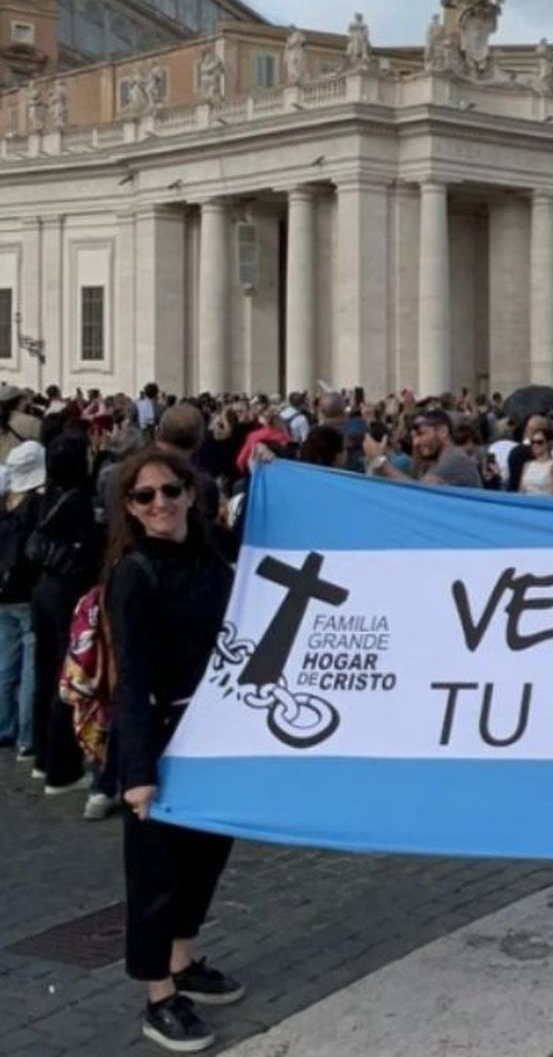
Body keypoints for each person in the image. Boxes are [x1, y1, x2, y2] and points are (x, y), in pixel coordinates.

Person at [106, 448, 242, 1052]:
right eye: (145, 496)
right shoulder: (134, 575)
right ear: (131, 509)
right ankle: (159, 995)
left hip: (217, 731)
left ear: (190, 492)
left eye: (169, 490)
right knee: (156, 872)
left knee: (206, 856)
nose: (159, 503)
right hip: (163, 735)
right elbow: (131, 679)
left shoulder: (214, 553)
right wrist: (137, 772)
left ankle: (183, 961)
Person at [28, 435, 104, 804]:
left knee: (44, 673)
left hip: (43, 588)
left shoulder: (46, 496)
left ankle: (42, 757)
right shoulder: (80, 502)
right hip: (66, 592)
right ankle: (62, 768)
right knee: (66, 676)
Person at [0, 439, 45, 763]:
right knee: (31, 666)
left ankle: (4, 725)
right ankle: (27, 737)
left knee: (5, 664)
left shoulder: (6, 503)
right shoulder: (36, 507)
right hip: (27, 592)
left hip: (3, 594)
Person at [364, 410, 482, 489]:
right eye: (414, 437)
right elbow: (414, 479)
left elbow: (418, 493)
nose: (416, 443)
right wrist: (418, 458)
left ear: (443, 431)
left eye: (421, 434)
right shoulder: (439, 460)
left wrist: (380, 461)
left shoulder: (454, 460)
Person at [506, 417, 553, 496]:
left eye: (539, 442)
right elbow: (521, 492)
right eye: (532, 442)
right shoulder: (527, 465)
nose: (535, 445)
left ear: (548, 443)